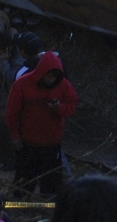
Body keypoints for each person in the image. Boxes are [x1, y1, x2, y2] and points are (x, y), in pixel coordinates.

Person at [5, 51, 78, 197]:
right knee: (24, 180)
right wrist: (15, 135)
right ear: (41, 72)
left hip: (52, 143)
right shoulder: (22, 85)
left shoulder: (63, 85)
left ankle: (48, 206)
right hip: (28, 142)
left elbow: (72, 104)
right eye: (49, 76)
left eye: (54, 77)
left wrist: (59, 108)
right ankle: (20, 204)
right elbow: (12, 113)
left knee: (51, 182)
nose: (51, 80)